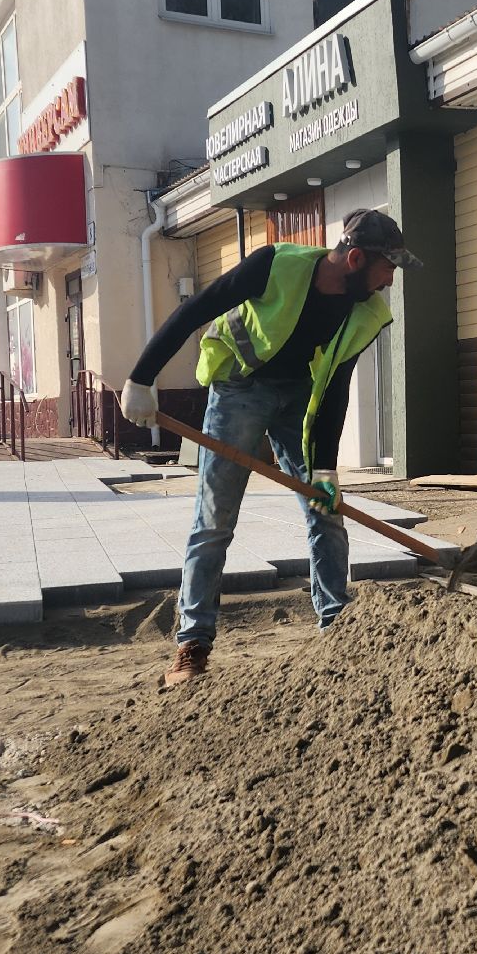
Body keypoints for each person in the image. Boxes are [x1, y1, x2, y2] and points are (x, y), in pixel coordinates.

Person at [120, 209, 422, 686]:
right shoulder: (275, 264)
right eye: (388, 267)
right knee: (215, 519)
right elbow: (195, 311)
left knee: (326, 510)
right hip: (239, 389)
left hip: (299, 396)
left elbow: (335, 389)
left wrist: (325, 470)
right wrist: (141, 378)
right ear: (356, 259)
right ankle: (192, 643)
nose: (390, 281)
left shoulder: (366, 311)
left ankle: (336, 628)